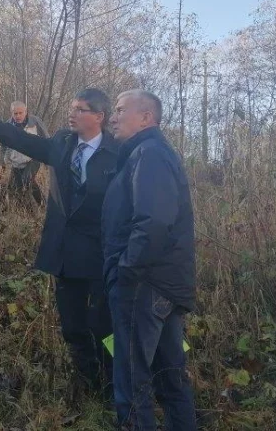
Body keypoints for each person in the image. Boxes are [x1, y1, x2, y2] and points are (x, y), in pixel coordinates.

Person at [0, 89, 118, 401]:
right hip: (66, 253)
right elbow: (19, 139)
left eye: (80, 109)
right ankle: (89, 382)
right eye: (71, 106)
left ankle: (115, 385)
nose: (72, 112)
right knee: (73, 327)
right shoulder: (63, 142)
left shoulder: (119, 151)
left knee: (105, 327)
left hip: (102, 256)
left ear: (99, 117)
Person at [101, 89, 197, 430]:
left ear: (146, 118)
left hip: (144, 286)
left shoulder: (149, 154)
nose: (112, 117)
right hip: (163, 286)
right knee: (171, 379)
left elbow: (154, 221)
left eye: (120, 109)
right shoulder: (147, 153)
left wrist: (126, 270)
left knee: (132, 380)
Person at [0, 101, 48, 204]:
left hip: (33, 158)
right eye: (15, 113)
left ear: (26, 112)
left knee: (27, 180)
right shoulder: (7, 126)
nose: (18, 116)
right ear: (11, 113)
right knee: (13, 187)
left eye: (21, 113)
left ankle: (42, 204)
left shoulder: (35, 121)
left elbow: (47, 138)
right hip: (16, 160)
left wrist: (48, 158)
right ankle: (21, 207)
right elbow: (2, 146)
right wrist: (0, 163)